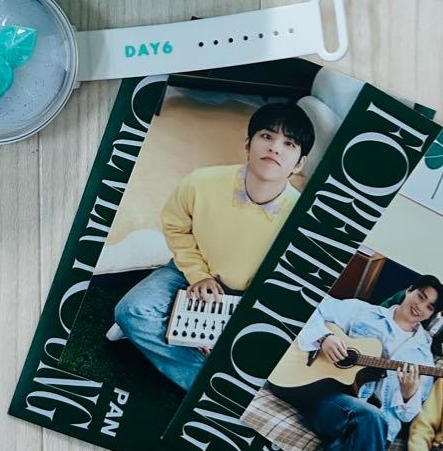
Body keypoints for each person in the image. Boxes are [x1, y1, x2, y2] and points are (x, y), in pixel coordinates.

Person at [113, 101, 315, 391]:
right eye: (266, 136)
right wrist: (198, 275)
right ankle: (210, 382)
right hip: (189, 271)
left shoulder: (302, 217)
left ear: (298, 164)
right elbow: (175, 226)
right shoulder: (201, 181)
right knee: (131, 311)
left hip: (248, 295)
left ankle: (181, 338)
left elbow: (289, 281)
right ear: (248, 144)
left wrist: (239, 311)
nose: (275, 148)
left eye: (289, 143)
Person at [284, 276, 443, 451]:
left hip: (375, 429)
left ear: (431, 314)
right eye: (420, 296)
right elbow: (311, 305)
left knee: (345, 446)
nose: (420, 307)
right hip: (329, 398)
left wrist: (408, 394)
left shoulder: (423, 357)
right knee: (371, 418)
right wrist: (324, 338)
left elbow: (406, 416)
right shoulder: (363, 312)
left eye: (429, 306)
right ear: (409, 290)